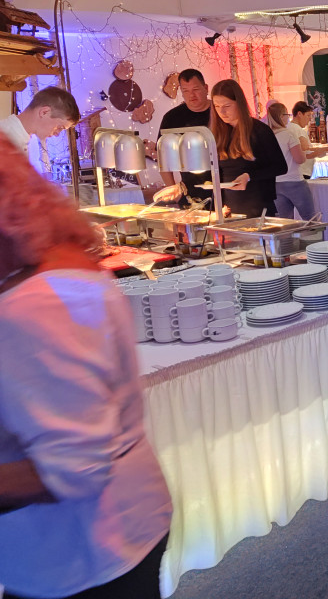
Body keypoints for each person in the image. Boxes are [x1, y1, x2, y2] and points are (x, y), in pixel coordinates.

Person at [0, 135, 172, 599]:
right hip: (118, 528)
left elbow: (73, 466)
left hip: (81, 550)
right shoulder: (60, 264)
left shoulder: (32, 304)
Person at [209, 79, 288, 217]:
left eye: (227, 105)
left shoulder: (259, 130)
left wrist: (249, 176)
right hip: (228, 208)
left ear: (239, 104)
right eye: (217, 106)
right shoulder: (217, 133)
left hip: (258, 207)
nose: (222, 111)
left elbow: (280, 167)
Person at [158, 68, 212, 200]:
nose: (191, 95)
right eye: (185, 91)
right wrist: (172, 188)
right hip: (190, 191)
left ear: (206, 88)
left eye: (195, 89)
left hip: (225, 185)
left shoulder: (220, 111)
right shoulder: (172, 117)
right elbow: (162, 157)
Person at [267, 102, 316, 220]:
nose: (288, 118)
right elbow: (300, 159)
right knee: (310, 219)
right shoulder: (288, 134)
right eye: (286, 114)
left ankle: (289, 234)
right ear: (281, 116)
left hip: (276, 183)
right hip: (294, 181)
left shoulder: (267, 135)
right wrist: (305, 153)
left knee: (286, 221)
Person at [0, 86, 80, 154]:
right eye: (60, 127)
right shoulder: (6, 140)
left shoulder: (20, 138)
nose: (57, 134)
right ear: (44, 112)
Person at [291, 100, 328, 179]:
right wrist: (327, 148)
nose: (309, 119)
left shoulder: (289, 127)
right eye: (308, 115)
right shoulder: (297, 129)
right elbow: (306, 151)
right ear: (299, 114)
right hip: (302, 172)